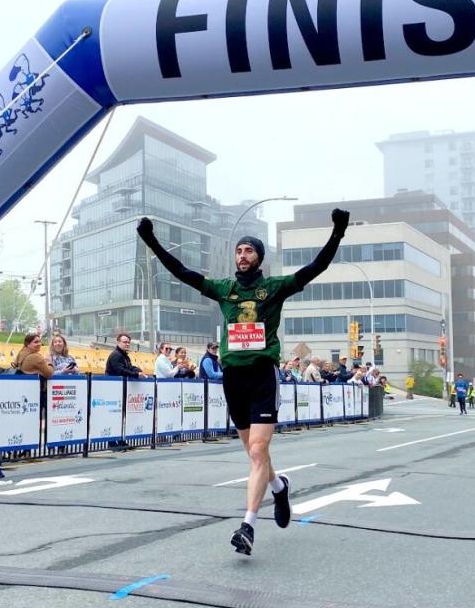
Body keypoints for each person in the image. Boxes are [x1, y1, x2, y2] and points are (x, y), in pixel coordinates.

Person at [138, 207, 349, 555]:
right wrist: (152, 242)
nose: (242, 255)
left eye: (248, 249)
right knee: (255, 456)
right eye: (238, 250)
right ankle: (279, 487)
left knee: (257, 451)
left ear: (259, 257)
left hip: (262, 376)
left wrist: (337, 232)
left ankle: (248, 525)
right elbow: (183, 272)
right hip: (233, 379)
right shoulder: (224, 289)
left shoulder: (274, 288)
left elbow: (315, 268)